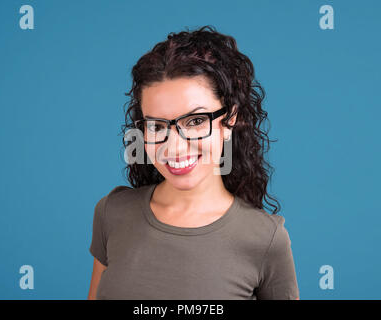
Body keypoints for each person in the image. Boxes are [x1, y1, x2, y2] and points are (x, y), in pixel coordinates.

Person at [87, 25, 300, 300]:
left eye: (196, 121)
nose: (174, 147)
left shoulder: (266, 239)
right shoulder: (112, 213)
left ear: (230, 117)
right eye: (156, 126)